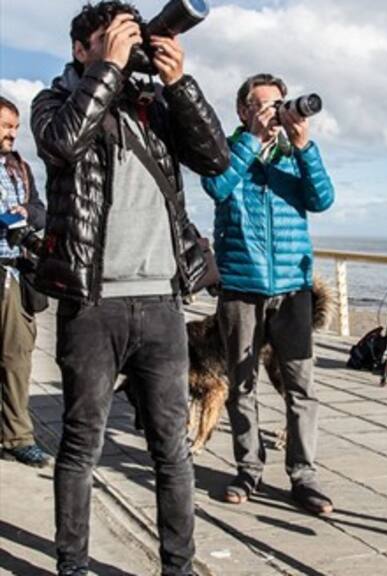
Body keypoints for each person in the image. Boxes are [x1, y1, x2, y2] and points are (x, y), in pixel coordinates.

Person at [31, 2, 229, 574]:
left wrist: (179, 82)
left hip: (163, 302)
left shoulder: (156, 109)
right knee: (81, 443)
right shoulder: (53, 103)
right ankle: (72, 564)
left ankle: (179, 565)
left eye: (129, 37)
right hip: (92, 304)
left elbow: (213, 158)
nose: (124, 46)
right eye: (108, 37)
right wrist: (109, 68)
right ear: (80, 49)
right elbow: (64, 144)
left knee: (171, 449)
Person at [201, 73, 335, 515]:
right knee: (242, 385)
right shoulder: (227, 148)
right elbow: (217, 187)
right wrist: (252, 141)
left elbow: (322, 200)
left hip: (292, 289)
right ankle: (248, 469)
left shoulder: (292, 155)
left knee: (301, 388)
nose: (274, 112)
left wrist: (303, 147)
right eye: (263, 105)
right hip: (242, 287)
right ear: (242, 110)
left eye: (279, 103)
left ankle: (304, 475)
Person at [0, 95, 50, 467]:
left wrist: (25, 213)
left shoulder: (21, 167)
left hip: (14, 270)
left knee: (17, 354)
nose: (12, 134)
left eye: (15, 128)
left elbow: (41, 210)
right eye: (5, 126)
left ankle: (17, 435)